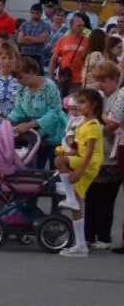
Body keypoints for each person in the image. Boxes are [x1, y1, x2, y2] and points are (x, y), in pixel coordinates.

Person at [56, 88, 105, 257]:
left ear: (94, 105)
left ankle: (69, 197)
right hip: (82, 159)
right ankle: (81, 245)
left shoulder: (93, 125)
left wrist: (80, 170)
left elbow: (90, 152)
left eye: (83, 102)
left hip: (88, 163)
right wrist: (67, 153)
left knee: (59, 162)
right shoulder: (82, 123)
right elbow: (78, 148)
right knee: (76, 205)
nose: (80, 106)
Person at [8, 57, 65, 165]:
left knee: (56, 167)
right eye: (16, 78)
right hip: (36, 135)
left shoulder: (50, 87)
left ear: (32, 72)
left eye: (20, 77)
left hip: (55, 133)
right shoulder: (22, 87)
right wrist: (8, 121)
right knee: (36, 166)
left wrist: (29, 125)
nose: (18, 81)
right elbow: (19, 108)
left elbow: (54, 113)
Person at [91, 60, 122, 251]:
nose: (101, 84)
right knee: (95, 197)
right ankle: (95, 234)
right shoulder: (102, 99)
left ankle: (104, 236)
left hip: (112, 155)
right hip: (101, 154)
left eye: (105, 80)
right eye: (98, 80)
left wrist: (95, 128)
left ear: (115, 80)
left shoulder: (119, 97)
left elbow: (112, 125)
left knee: (106, 198)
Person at [51, 13, 90, 93]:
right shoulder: (62, 40)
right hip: (62, 78)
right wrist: (51, 77)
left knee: (73, 102)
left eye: (83, 26)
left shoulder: (87, 41)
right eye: (79, 25)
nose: (82, 28)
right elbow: (53, 59)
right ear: (71, 25)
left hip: (78, 80)